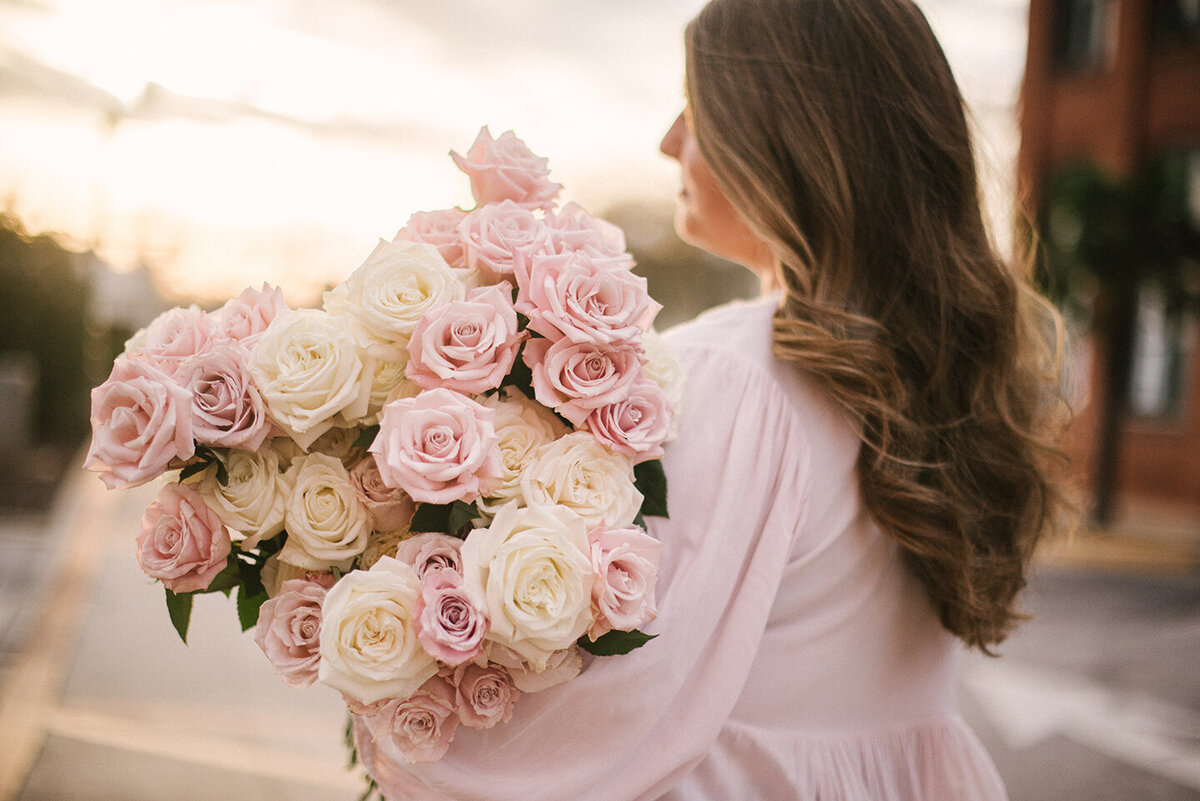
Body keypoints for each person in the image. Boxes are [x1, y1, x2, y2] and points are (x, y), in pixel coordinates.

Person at [355, 0, 1067, 798]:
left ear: (784, 139)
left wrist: (384, 675)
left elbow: (606, 719)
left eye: (698, 107)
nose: (669, 140)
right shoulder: (943, 373)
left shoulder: (738, 379)